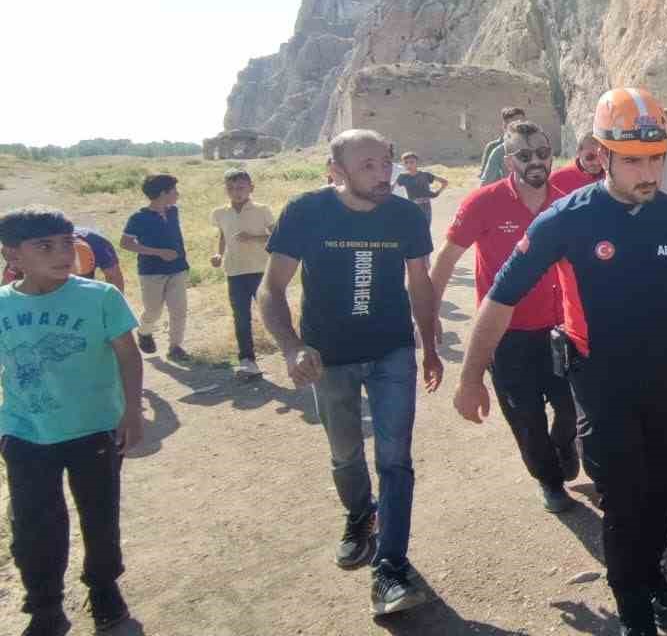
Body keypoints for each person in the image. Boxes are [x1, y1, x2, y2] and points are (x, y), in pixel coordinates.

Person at [454, 88, 667, 636]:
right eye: (633, 160)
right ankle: (634, 612)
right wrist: (470, 376)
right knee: (623, 500)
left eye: (657, 157)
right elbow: (499, 300)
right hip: (600, 383)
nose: (649, 171)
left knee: (660, 490)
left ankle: (650, 574)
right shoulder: (565, 219)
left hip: (663, 380)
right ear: (601, 154)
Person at [261, 129, 444, 616]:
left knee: (395, 459)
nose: (382, 173)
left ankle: (390, 567)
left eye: (385, 163)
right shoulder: (306, 212)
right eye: (368, 166)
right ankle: (360, 515)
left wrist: (429, 346)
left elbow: (420, 283)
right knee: (345, 455)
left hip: (392, 352)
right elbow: (270, 289)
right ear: (335, 172)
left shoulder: (404, 215)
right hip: (329, 357)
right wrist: (292, 347)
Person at [0, 206, 144, 636]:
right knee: (33, 523)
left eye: (67, 243)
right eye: (45, 245)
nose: (63, 253)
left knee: (99, 514)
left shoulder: (99, 297)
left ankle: (103, 587)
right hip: (26, 433)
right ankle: (44, 604)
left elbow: (127, 353)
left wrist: (132, 410)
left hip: (95, 428)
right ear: (13, 255)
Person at [430, 121, 579, 513]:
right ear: (508, 159)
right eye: (525, 155)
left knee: (570, 409)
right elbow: (444, 262)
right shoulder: (483, 203)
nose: (536, 162)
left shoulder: (567, 203)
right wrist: (428, 317)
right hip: (506, 336)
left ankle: (564, 445)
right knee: (526, 419)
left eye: (543, 153)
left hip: (560, 332)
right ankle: (549, 482)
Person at [208, 169, 274, 378]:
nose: (236, 192)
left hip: (260, 270)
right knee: (241, 317)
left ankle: (291, 350)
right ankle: (247, 360)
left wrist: (253, 238)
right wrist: (217, 254)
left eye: (241, 188)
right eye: (231, 188)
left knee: (271, 314)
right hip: (235, 271)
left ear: (251, 188)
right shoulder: (220, 213)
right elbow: (222, 236)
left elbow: (276, 236)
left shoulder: (263, 210)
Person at [120, 174, 190, 362]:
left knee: (179, 309)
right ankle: (144, 332)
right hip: (151, 271)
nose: (178, 194)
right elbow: (125, 243)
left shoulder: (173, 211)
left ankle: (175, 347)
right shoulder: (138, 217)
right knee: (153, 310)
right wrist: (158, 252)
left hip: (178, 268)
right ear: (162, 193)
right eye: (174, 190)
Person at [2, 226, 124, 293]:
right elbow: (8, 282)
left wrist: (115, 310)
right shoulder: (27, 247)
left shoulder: (98, 244)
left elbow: (114, 276)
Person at [395, 152, 449, 226]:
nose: (409, 165)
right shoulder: (402, 177)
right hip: (412, 208)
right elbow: (390, 188)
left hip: (426, 208)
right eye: (406, 162)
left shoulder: (425, 175)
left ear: (417, 162)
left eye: (412, 162)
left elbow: (444, 182)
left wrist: (437, 193)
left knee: (425, 230)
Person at [479, 107, 526, 186]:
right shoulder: (495, 149)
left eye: (523, 124)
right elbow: (487, 181)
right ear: (504, 126)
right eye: (515, 125)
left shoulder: (533, 147)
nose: (520, 128)